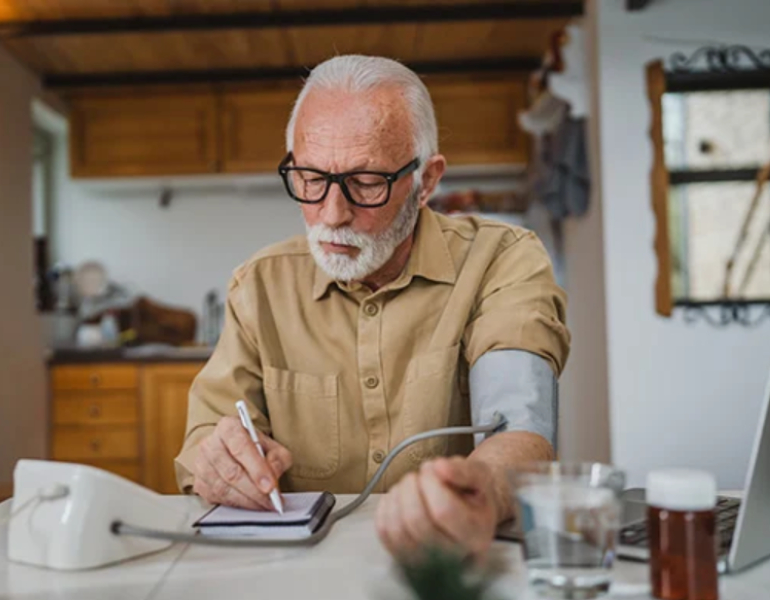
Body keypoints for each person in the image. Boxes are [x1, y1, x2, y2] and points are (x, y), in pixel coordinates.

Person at [175, 55, 570, 562]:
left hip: (451, 564)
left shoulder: (503, 260)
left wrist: (477, 490)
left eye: (365, 183)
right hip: (297, 572)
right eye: (311, 178)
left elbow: (521, 428)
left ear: (426, 182)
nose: (332, 215)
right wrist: (219, 462)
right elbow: (206, 438)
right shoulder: (260, 286)